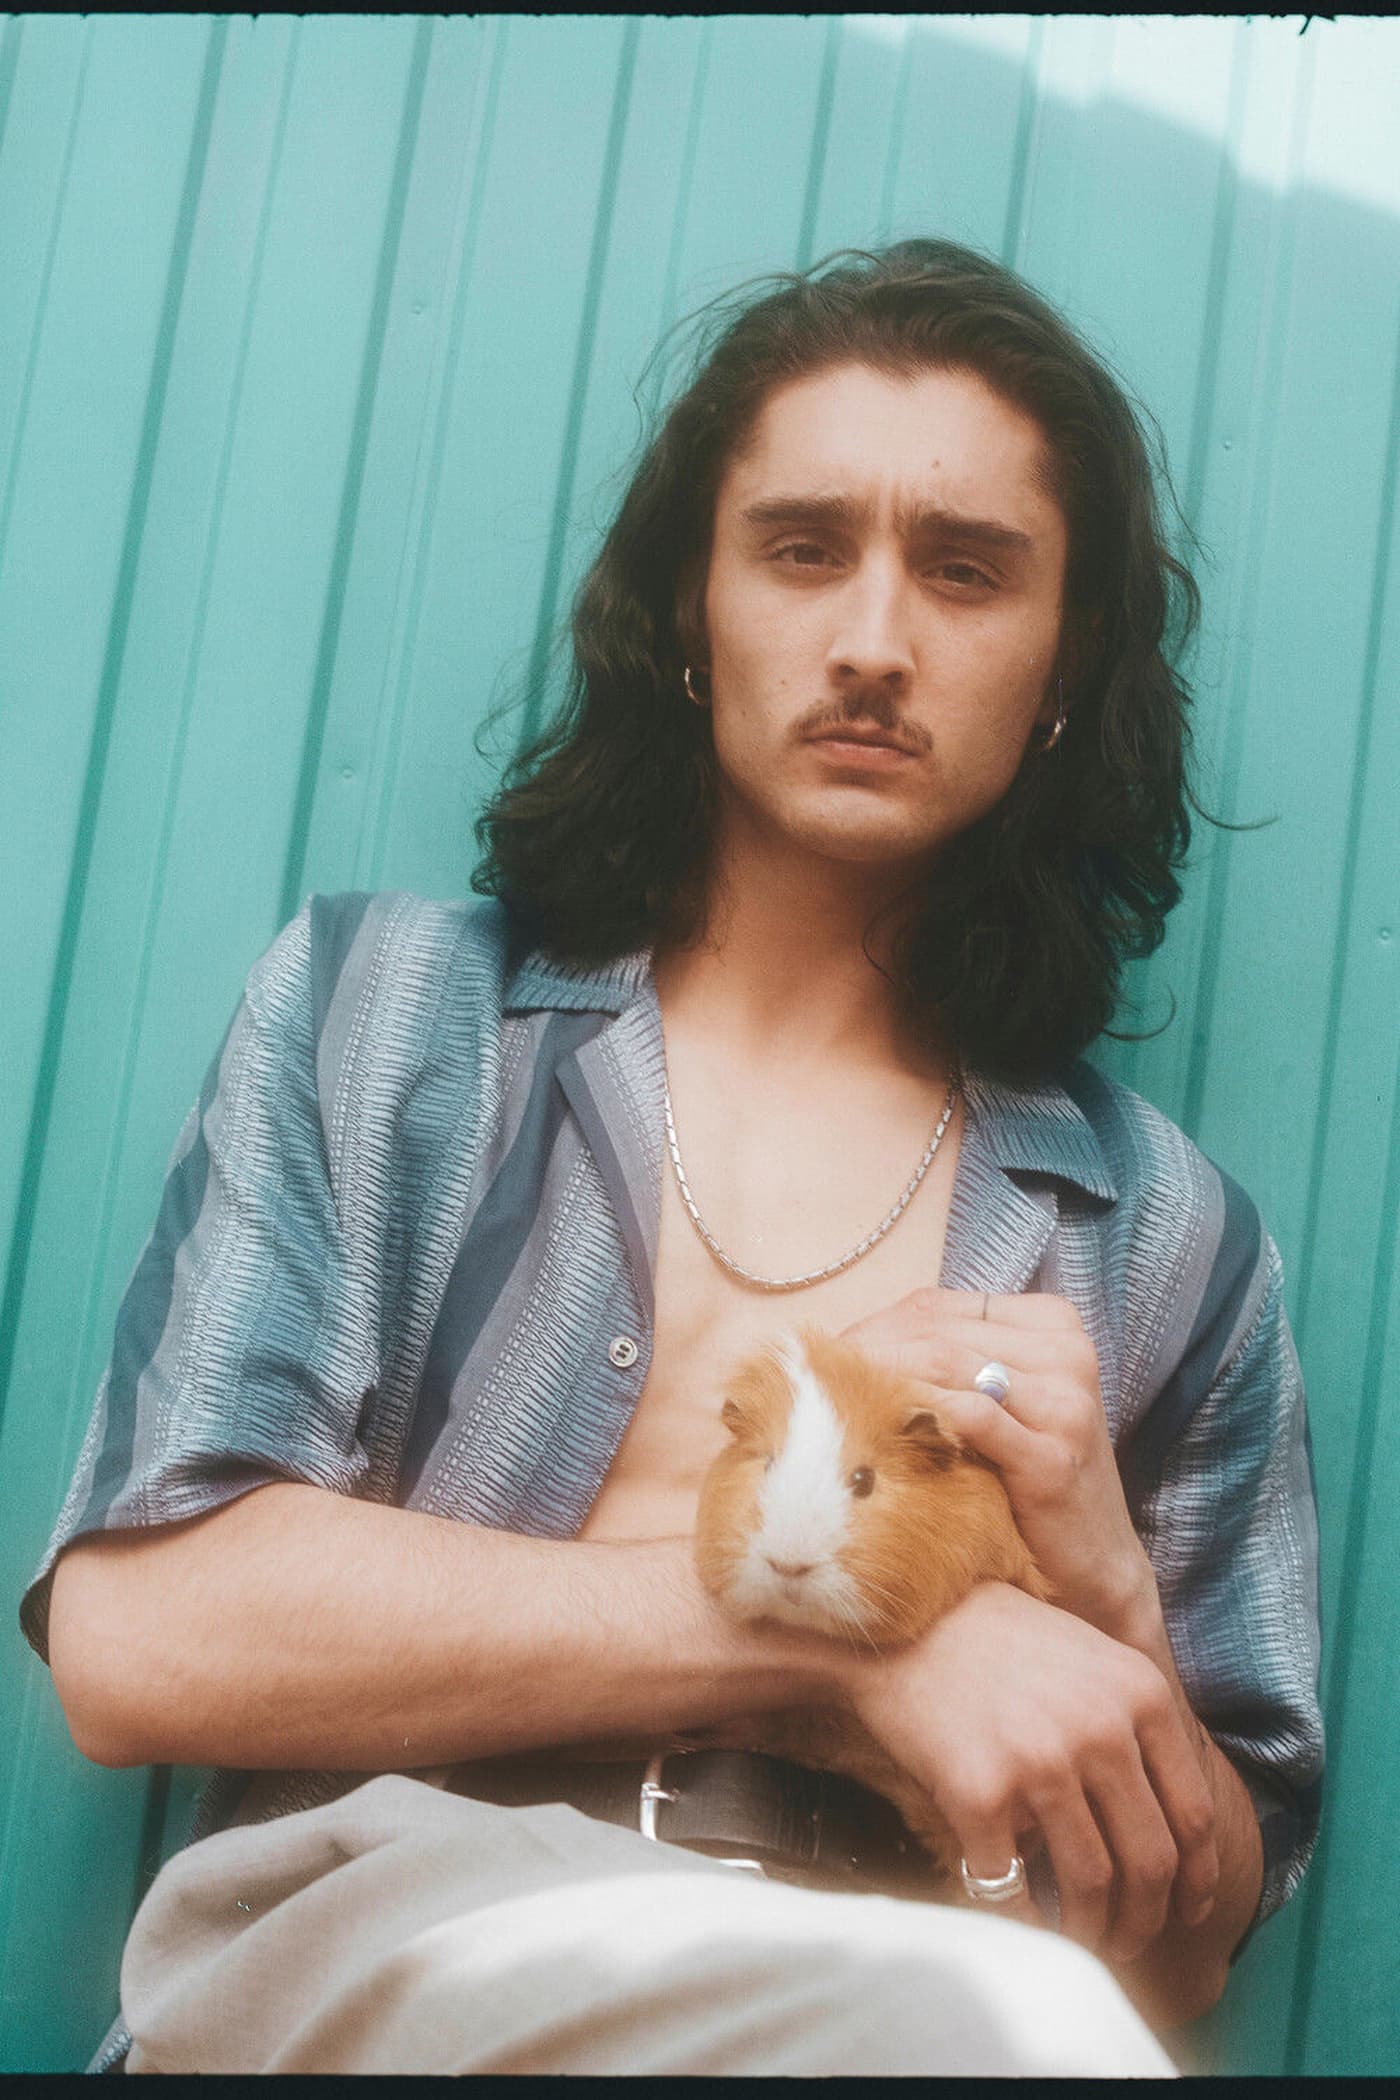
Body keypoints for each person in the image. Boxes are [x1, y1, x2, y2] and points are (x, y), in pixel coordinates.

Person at [22, 239, 1322, 2077]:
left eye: (965, 570)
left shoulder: (1171, 1242)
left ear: (1063, 667)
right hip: (392, 1937)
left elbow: (1185, 1952)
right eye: (803, 548)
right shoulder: (393, 1018)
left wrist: (1106, 1599)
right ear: (692, 613)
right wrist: (855, 1642)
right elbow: (143, 1635)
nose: (873, 640)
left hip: (884, 1986)